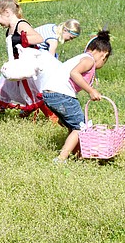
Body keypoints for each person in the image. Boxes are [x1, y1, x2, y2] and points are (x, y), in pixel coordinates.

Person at [41, 30, 112, 163]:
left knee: (73, 125)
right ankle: (61, 158)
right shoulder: (89, 60)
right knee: (81, 126)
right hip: (61, 94)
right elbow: (74, 73)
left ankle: (77, 153)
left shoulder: (82, 57)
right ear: (104, 55)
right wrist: (91, 90)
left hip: (49, 94)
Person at [0, 0, 50, 118]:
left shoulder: (21, 24)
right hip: (16, 64)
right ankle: (2, 108)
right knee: (5, 87)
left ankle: (51, 115)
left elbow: (39, 38)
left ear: (6, 12)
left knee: (31, 91)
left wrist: (23, 40)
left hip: (27, 64)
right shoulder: (10, 29)